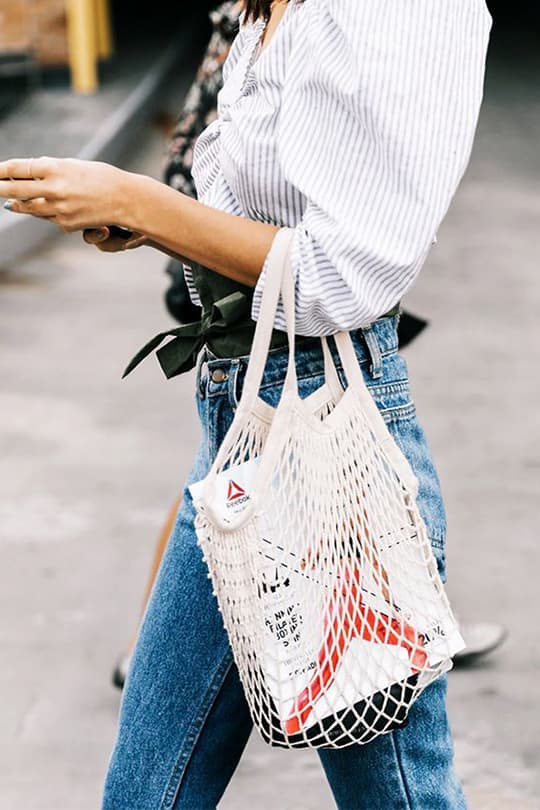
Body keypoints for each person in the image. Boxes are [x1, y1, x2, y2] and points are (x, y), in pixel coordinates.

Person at [0, 0, 493, 806]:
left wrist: (142, 202)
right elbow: (275, 212)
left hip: (329, 442)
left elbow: (345, 276)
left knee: (402, 799)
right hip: (238, 432)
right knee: (145, 794)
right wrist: (152, 226)